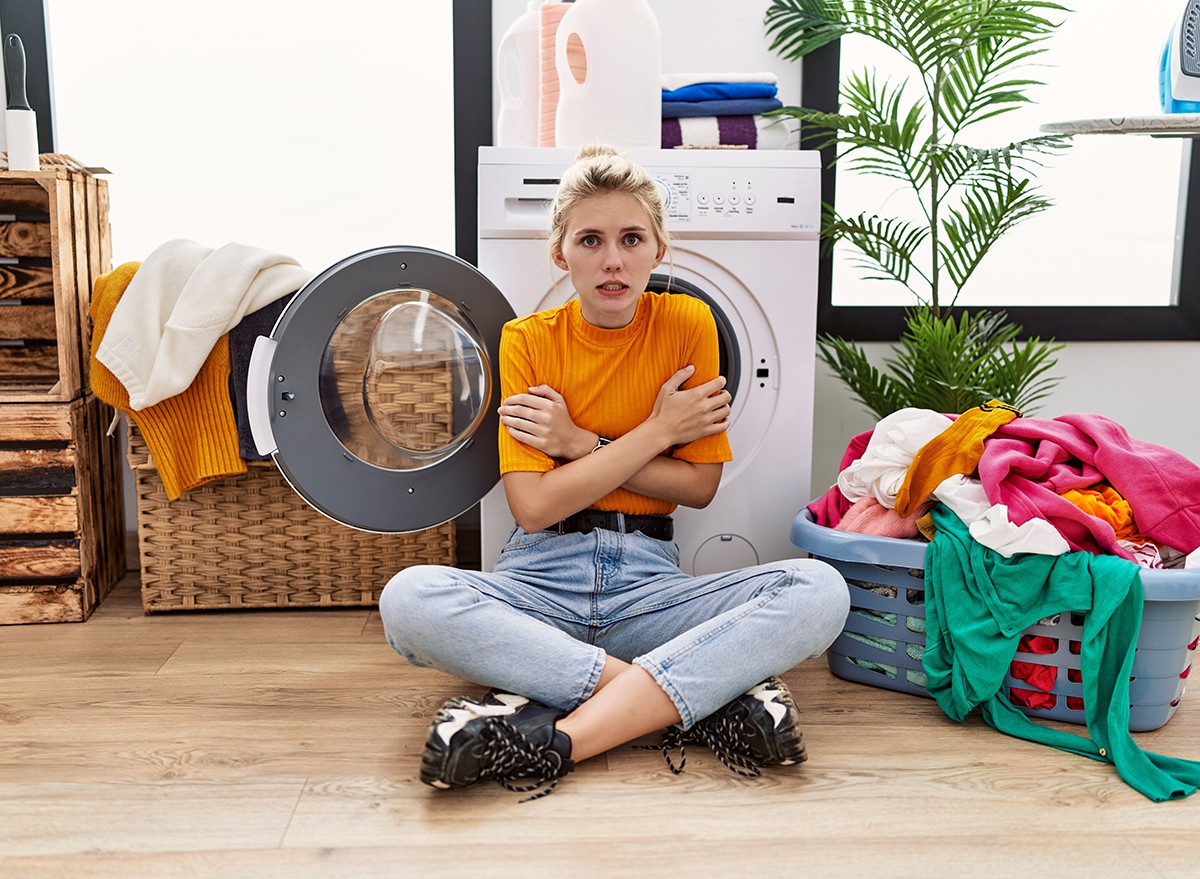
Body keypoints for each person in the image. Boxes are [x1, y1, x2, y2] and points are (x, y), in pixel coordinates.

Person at [378, 144, 849, 800]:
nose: (612, 260)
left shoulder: (688, 323)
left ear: (659, 249)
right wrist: (657, 432)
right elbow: (534, 508)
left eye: (631, 239)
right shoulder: (528, 340)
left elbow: (698, 486)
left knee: (820, 588)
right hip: (538, 582)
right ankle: (698, 700)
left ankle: (557, 735)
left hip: (650, 588)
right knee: (407, 598)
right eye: (590, 240)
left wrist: (578, 443)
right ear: (559, 252)